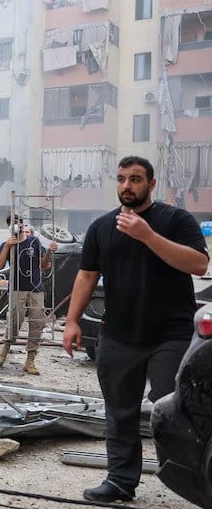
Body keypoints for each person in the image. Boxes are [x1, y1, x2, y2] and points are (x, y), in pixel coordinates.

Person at [62, 156, 208, 503]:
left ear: (151, 184)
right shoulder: (101, 227)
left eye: (136, 179)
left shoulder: (175, 220)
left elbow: (199, 264)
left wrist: (148, 236)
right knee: (120, 412)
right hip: (119, 335)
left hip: (170, 335)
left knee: (175, 407)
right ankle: (120, 482)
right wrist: (70, 321)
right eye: (122, 179)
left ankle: (198, 481)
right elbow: (86, 275)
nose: (127, 186)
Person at [0, 214, 57, 375]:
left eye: (19, 222)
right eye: (13, 223)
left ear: (23, 225)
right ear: (9, 227)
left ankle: (30, 359)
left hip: (36, 288)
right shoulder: (5, 244)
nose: (17, 225)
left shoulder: (34, 242)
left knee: (37, 322)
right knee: (15, 320)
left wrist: (49, 252)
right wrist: (8, 246)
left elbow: (44, 266)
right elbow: (0, 264)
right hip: (17, 288)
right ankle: (5, 348)